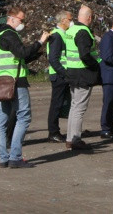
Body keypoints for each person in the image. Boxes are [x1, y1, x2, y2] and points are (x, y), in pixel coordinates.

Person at [0, 6, 49, 168]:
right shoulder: (10, 34)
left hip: (0, 82)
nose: (23, 23)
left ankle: (4, 158)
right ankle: (15, 157)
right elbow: (22, 53)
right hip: (15, 82)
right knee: (24, 116)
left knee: (1, 121)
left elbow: (16, 57)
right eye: (21, 20)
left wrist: (35, 52)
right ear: (11, 18)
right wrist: (40, 42)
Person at [64, 5, 100, 151]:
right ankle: (76, 139)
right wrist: (95, 65)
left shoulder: (71, 30)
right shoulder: (83, 32)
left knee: (74, 106)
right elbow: (84, 54)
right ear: (89, 18)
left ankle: (69, 138)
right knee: (79, 108)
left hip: (72, 72)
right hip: (82, 73)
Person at [46, 10, 72, 143]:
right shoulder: (56, 36)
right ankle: (53, 132)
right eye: (69, 19)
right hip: (59, 75)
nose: (71, 21)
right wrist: (64, 73)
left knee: (61, 103)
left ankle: (55, 131)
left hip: (62, 74)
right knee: (56, 104)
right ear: (63, 20)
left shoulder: (63, 34)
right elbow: (54, 59)